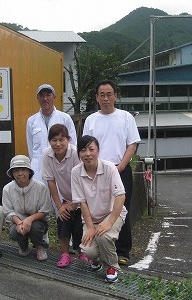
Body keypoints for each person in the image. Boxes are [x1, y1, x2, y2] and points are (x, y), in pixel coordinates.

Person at [83, 79, 140, 266]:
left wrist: (122, 165)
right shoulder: (91, 119)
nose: (106, 98)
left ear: (115, 96)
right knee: (97, 209)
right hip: (96, 172)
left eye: (109, 94)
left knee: (121, 209)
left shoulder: (126, 117)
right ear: (96, 98)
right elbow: (86, 146)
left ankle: (123, 250)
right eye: (102, 95)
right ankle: (98, 250)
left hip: (119, 169)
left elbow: (132, 144)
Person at [71, 135, 127, 283]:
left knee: (104, 236)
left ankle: (111, 267)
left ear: (98, 150)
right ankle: (98, 261)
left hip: (112, 214)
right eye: (83, 150)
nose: (87, 154)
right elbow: (82, 202)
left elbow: (120, 196)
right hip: (91, 218)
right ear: (79, 153)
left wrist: (109, 222)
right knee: (88, 251)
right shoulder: (76, 172)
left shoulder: (109, 168)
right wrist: (89, 227)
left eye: (91, 149)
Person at [42, 124, 89, 267]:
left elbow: (82, 180)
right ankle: (65, 254)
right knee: (63, 219)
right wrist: (59, 206)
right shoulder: (47, 155)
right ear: (49, 141)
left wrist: (74, 204)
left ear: (68, 140)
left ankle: (82, 252)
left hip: (83, 196)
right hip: (65, 197)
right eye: (54, 140)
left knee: (79, 225)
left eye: (61, 140)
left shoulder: (75, 153)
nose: (58, 144)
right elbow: (51, 182)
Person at [2, 155, 53, 261]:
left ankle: (39, 246)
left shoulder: (40, 187)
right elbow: (8, 211)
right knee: (14, 232)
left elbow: (45, 210)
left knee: (35, 227)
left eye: (23, 169)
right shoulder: (7, 189)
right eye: (16, 170)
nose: (20, 174)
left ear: (29, 171)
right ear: (12, 173)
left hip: (38, 221)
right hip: (17, 222)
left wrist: (29, 220)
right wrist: (20, 223)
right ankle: (23, 245)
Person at [26, 83, 77, 182]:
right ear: (37, 98)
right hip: (38, 168)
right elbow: (30, 148)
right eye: (42, 95)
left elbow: (73, 144)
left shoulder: (65, 118)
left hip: (61, 166)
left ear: (54, 97)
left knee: (59, 195)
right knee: (40, 195)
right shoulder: (31, 121)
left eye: (48, 95)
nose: (45, 98)